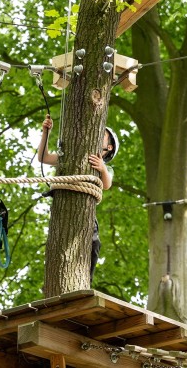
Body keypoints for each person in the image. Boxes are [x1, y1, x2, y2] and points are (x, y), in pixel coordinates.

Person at [37, 114, 117, 282]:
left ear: (108, 147)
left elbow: (107, 183)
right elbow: (43, 157)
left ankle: (86, 279)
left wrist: (101, 168)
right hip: (64, 206)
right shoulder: (71, 155)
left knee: (94, 245)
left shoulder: (103, 168)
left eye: (103, 134)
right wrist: (46, 132)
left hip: (87, 215)